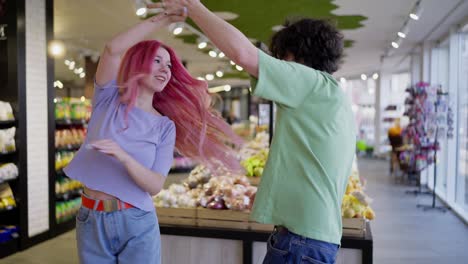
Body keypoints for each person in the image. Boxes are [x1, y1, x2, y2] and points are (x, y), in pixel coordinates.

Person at [155, 1, 356, 263]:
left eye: (282, 58)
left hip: (301, 242)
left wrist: (193, 7)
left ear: (296, 56)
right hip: (313, 237)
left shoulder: (308, 81)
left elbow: (243, 54)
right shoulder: (332, 94)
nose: (279, 65)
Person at [63, 11, 242, 264]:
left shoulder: (164, 126)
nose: (165, 70)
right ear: (138, 63)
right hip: (90, 218)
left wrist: (123, 157)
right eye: (157, 61)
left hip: (136, 221)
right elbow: (113, 49)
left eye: (169, 65)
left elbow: (155, 185)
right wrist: (165, 19)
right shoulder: (108, 99)